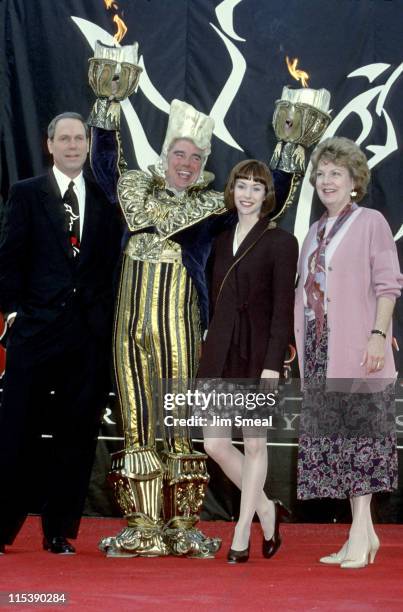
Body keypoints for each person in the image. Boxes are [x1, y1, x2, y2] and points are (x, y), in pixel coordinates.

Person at [0, 112, 122, 555]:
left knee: (76, 437)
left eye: (79, 139)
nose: (73, 145)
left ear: (88, 145)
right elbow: (9, 258)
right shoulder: (26, 194)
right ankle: (2, 525)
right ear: (49, 144)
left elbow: (109, 269)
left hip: (86, 338)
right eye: (64, 138)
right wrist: (13, 313)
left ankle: (58, 531)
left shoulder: (108, 201)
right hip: (35, 333)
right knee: (17, 432)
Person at [295, 136, 403, 568]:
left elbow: (388, 283)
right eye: (320, 174)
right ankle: (362, 535)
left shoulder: (370, 221)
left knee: (360, 444)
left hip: (358, 346)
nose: (326, 181)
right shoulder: (315, 231)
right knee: (339, 445)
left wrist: (379, 334)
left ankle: (361, 538)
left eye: (335, 174)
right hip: (321, 350)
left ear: (354, 181)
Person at [197, 160, 298, 563]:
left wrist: (273, 362)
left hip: (258, 354)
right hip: (220, 351)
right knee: (216, 444)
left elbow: (282, 309)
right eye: (242, 185)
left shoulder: (281, 242)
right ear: (232, 190)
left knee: (255, 444)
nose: (248, 194)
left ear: (267, 196)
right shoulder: (219, 239)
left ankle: (243, 530)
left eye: (257, 188)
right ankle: (267, 508)